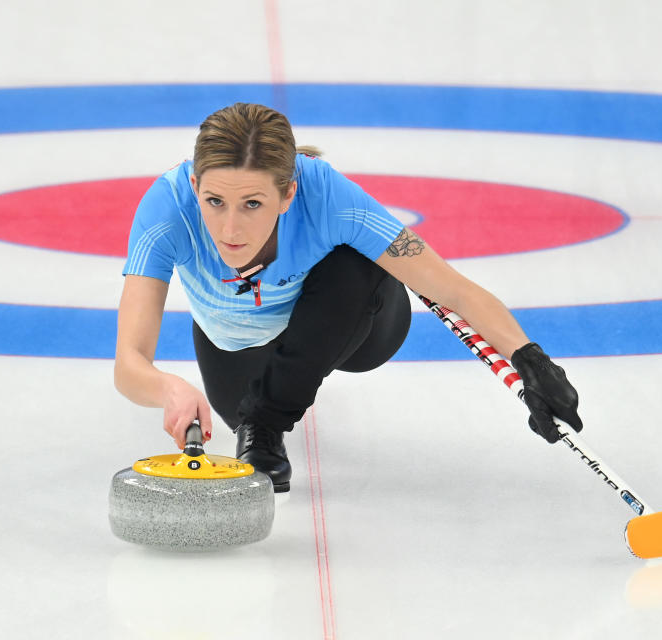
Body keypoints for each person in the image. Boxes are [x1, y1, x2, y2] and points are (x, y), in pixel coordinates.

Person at [114, 102, 583, 493]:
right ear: (195, 186)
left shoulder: (327, 195)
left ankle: (269, 423)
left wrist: (531, 361)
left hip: (359, 332)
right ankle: (266, 404)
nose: (230, 228)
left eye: (252, 204)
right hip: (238, 348)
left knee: (357, 261)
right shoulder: (168, 206)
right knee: (241, 399)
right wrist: (167, 387)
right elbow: (129, 362)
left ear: (288, 194)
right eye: (214, 201)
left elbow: (451, 288)